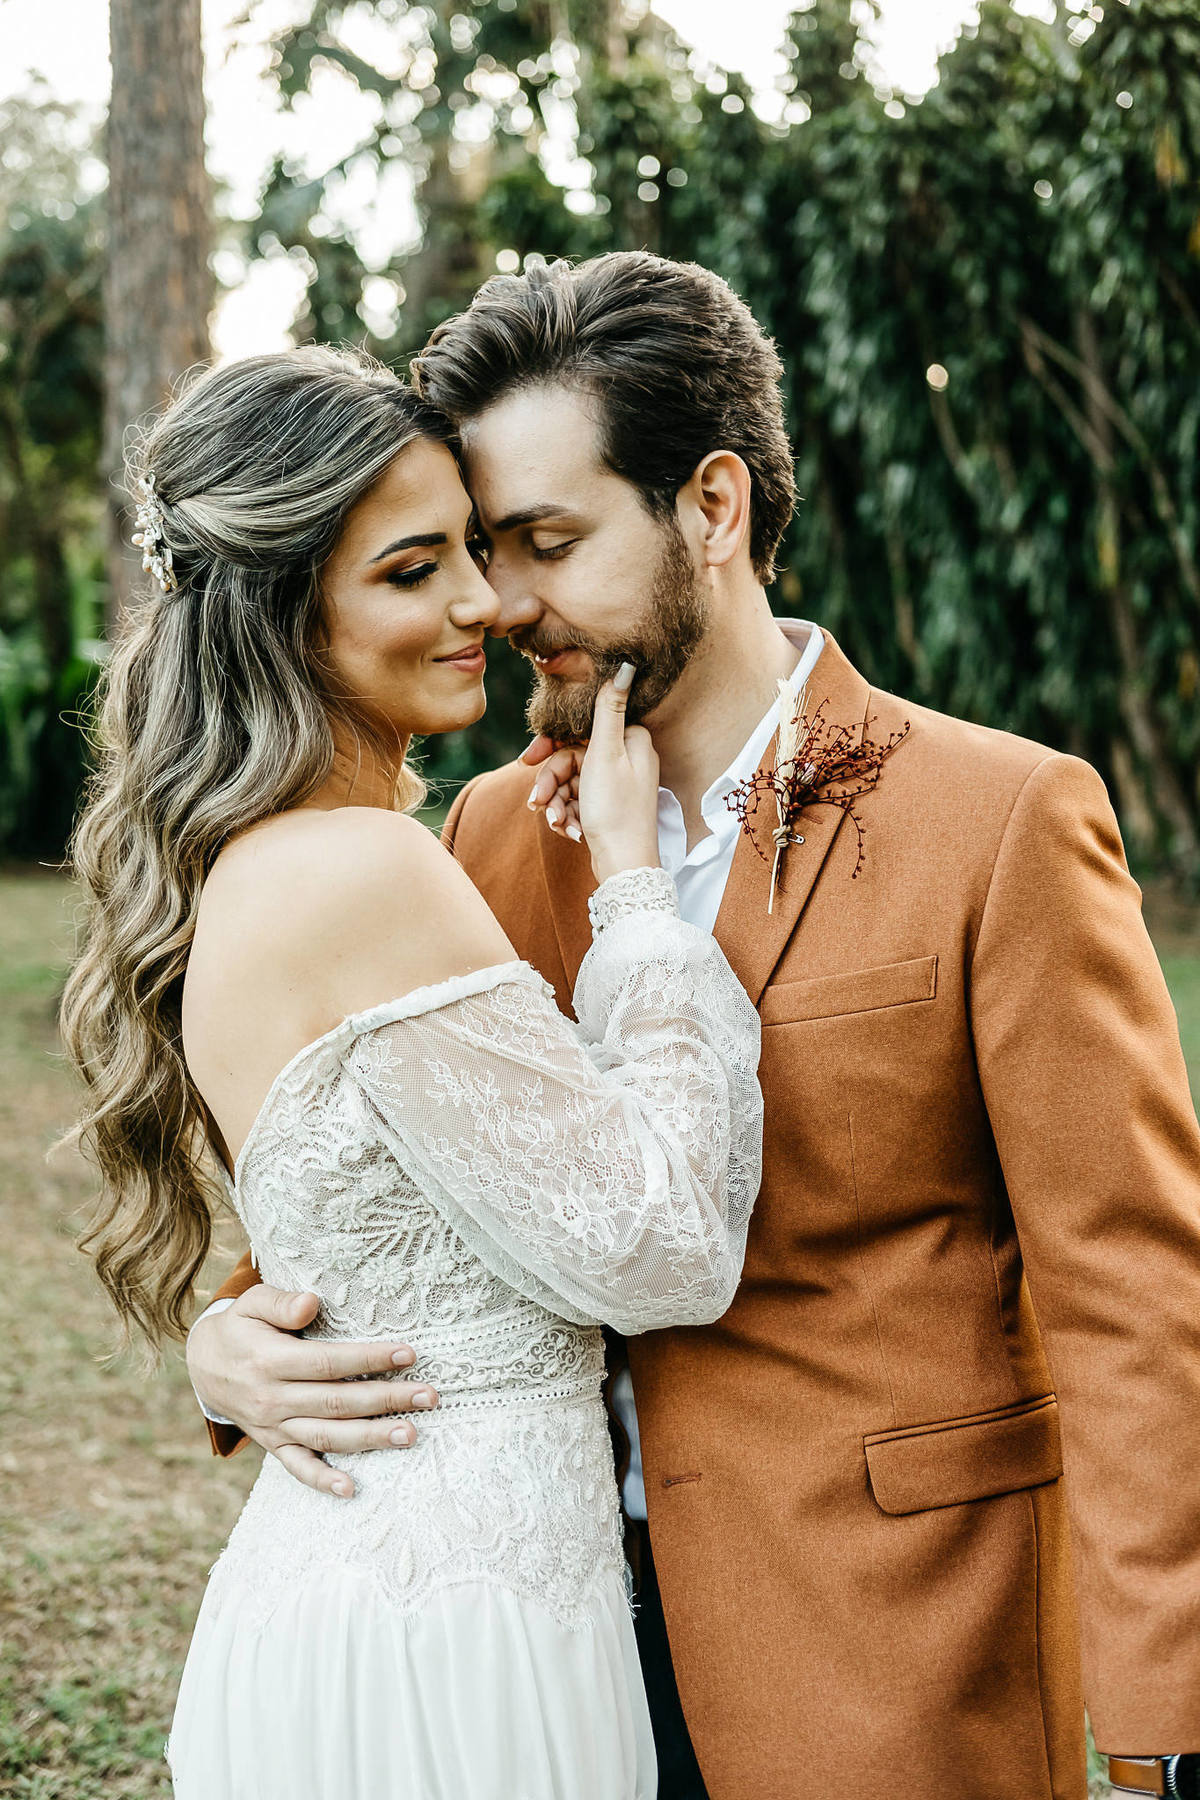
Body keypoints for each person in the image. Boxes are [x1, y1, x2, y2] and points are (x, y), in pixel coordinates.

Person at [189, 255, 1200, 1800]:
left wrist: (1172, 1706)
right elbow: (431, 1176)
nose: (500, 604)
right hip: (545, 1657)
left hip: (882, 1645)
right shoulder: (484, 836)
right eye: (470, 549)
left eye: (543, 542)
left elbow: (1134, 1291)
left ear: (711, 508)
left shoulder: (999, 819)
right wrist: (232, 1345)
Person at [61, 342, 765, 1800]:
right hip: (458, 1632)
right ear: (277, 608)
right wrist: (637, 901)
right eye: (411, 569)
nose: (482, 605)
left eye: (485, 549)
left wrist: (227, 1340)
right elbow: (662, 1246)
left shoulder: (252, 864)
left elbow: (375, 1234)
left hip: (360, 1581)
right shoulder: (368, 869)